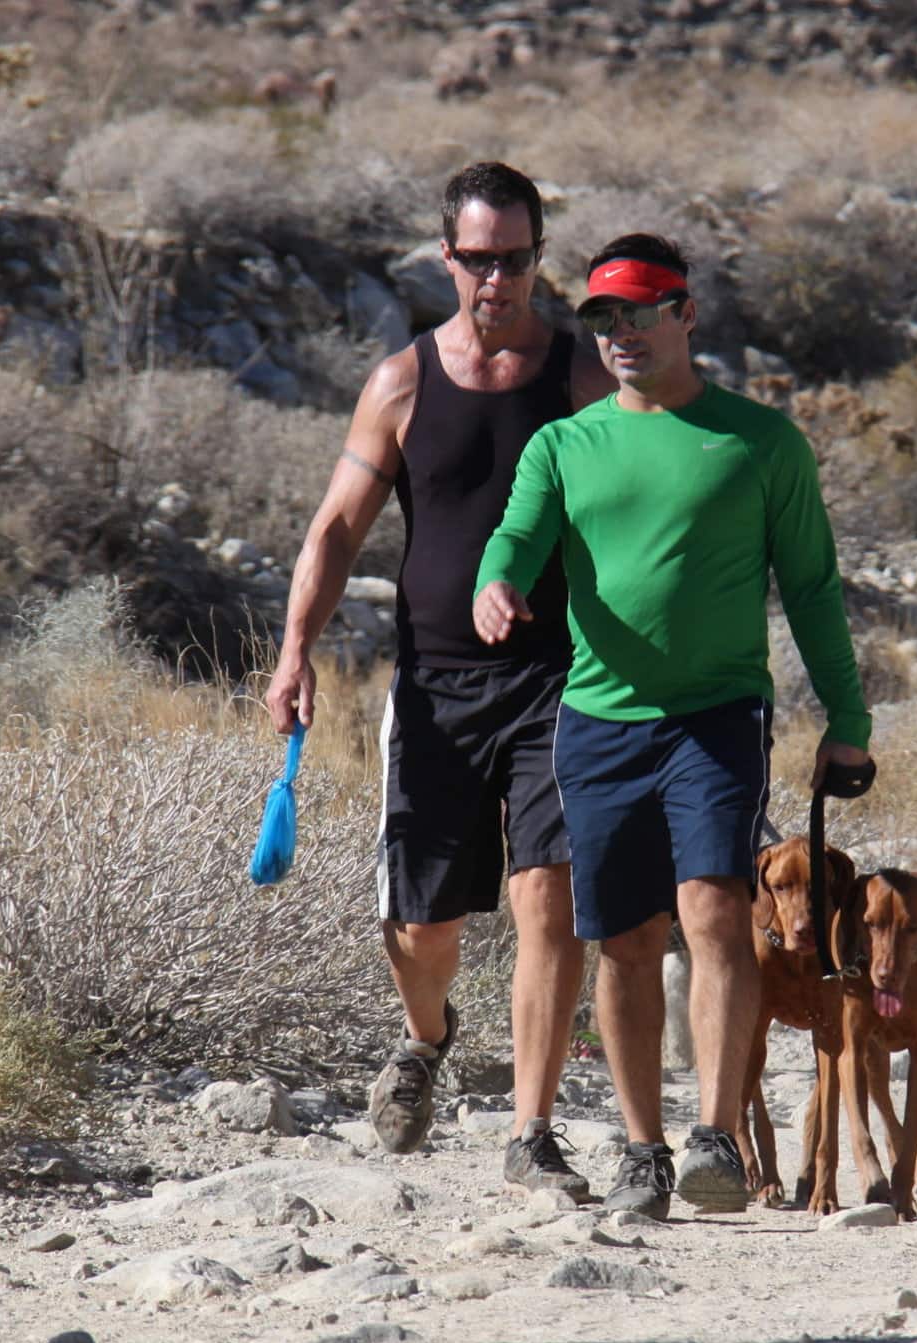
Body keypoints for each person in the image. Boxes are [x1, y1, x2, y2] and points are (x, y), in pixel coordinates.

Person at [471, 233, 872, 1218]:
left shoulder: (761, 442)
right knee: (624, 940)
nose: (621, 333)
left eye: (641, 312)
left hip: (717, 717)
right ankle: (645, 1149)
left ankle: (715, 1135)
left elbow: (812, 587)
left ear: (685, 314)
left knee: (710, 912)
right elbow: (518, 531)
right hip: (597, 723)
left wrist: (847, 716)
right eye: (603, 318)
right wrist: (499, 578)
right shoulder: (564, 443)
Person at [264, 161, 614, 1197]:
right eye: (476, 259)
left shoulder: (585, 380)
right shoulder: (403, 382)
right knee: (420, 931)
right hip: (433, 687)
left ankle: (532, 1129)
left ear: (538, 259)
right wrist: (294, 649)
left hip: (562, 677)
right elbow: (334, 528)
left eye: (513, 259)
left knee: (548, 897)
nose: (495, 279)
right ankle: (428, 1036)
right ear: (447, 258)